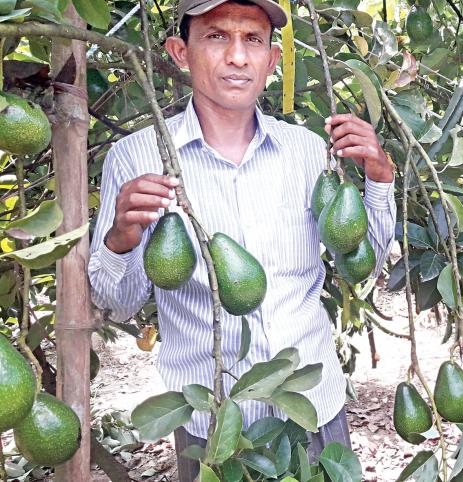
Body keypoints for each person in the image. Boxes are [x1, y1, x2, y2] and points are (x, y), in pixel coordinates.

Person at [87, 0, 395, 479]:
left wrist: (379, 180)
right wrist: (120, 239)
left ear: (272, 60)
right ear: (179, 52)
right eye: (216, 36)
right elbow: (116, 306)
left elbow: (365, 265)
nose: (236, 57)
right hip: (213, 422)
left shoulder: (309, 152)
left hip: (312, 409)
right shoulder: (135, 159)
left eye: (252, 39)